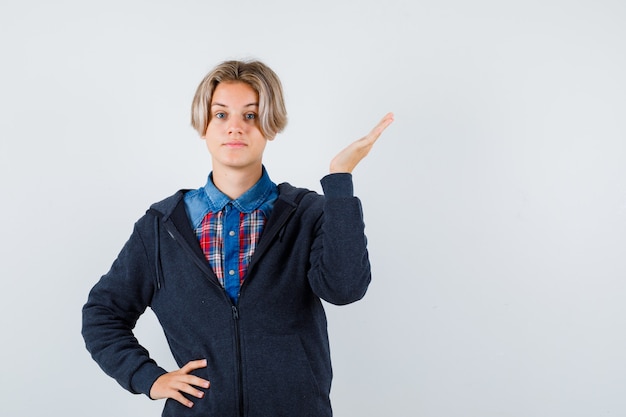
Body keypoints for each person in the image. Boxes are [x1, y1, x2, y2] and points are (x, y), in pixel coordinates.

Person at [82, 59, 393, 417]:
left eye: (250, 115)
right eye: (220, 115)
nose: (235, 128)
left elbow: (345, 288)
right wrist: (149, 379)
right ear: (203, 125)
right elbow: (102, 313)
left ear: (270, 126)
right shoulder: (161, 227)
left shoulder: (307, 213)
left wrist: (340, 181)